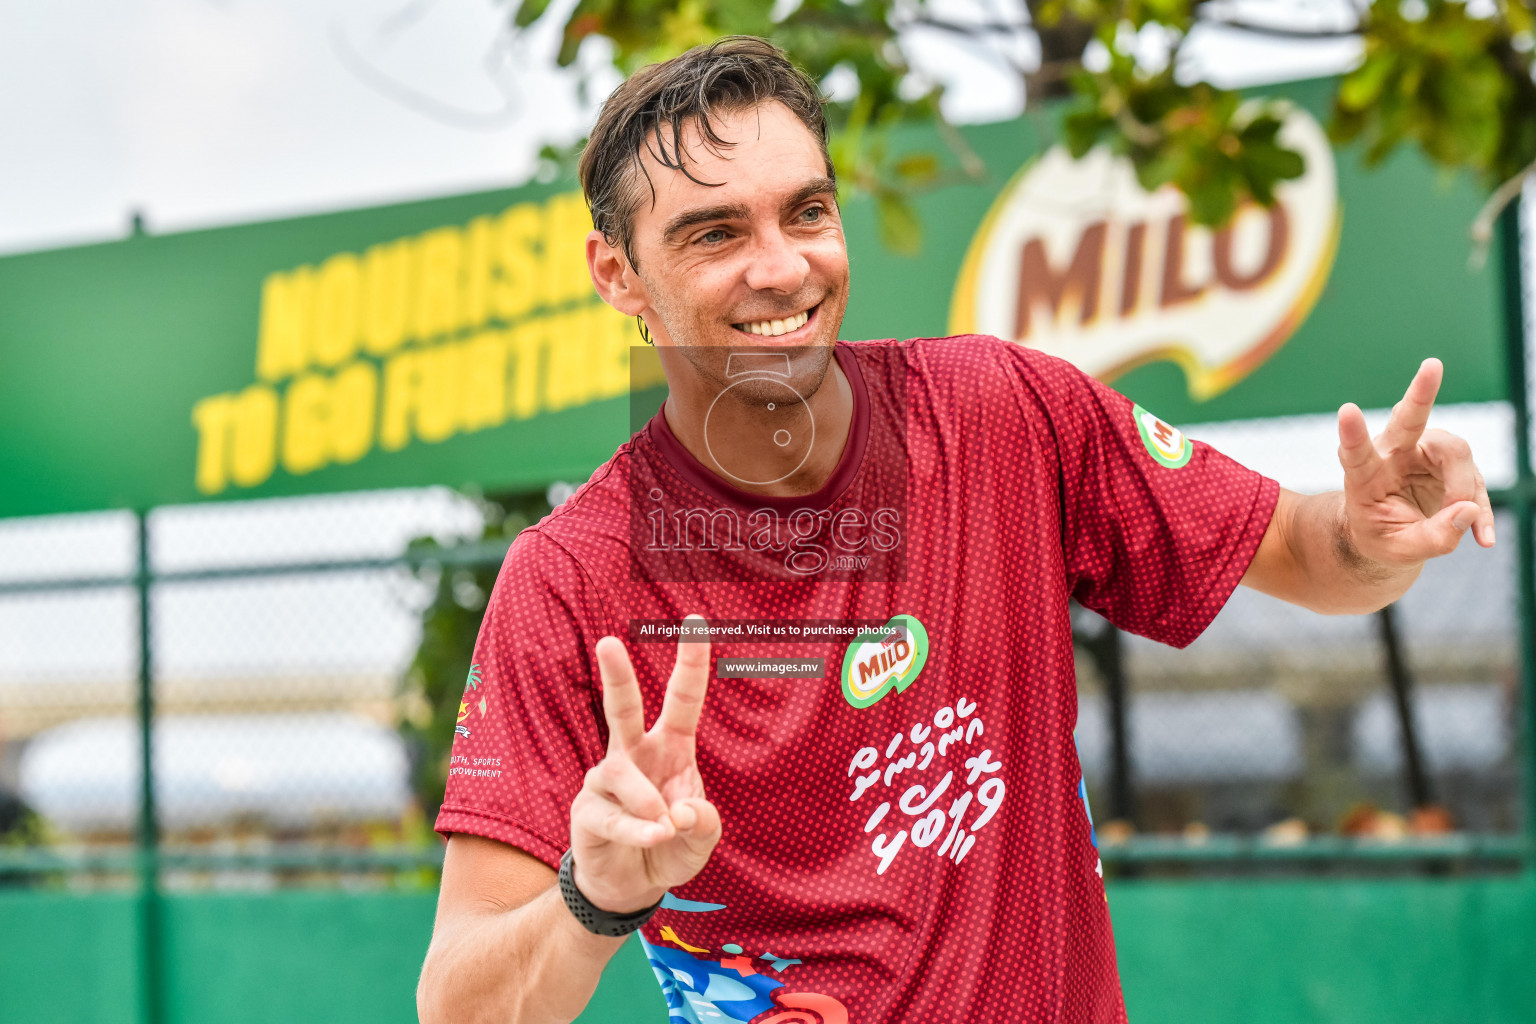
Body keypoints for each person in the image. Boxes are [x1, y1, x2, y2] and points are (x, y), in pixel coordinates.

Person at [416, 36, 1495, 1024]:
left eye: (806, 212)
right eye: (714, 232)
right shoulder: (567, 583)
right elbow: (458, 1005)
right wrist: (593, 897)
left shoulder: (1002, 412)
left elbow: (1305, 556)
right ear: (618, 275)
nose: (783, 267)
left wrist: (1365, 536)